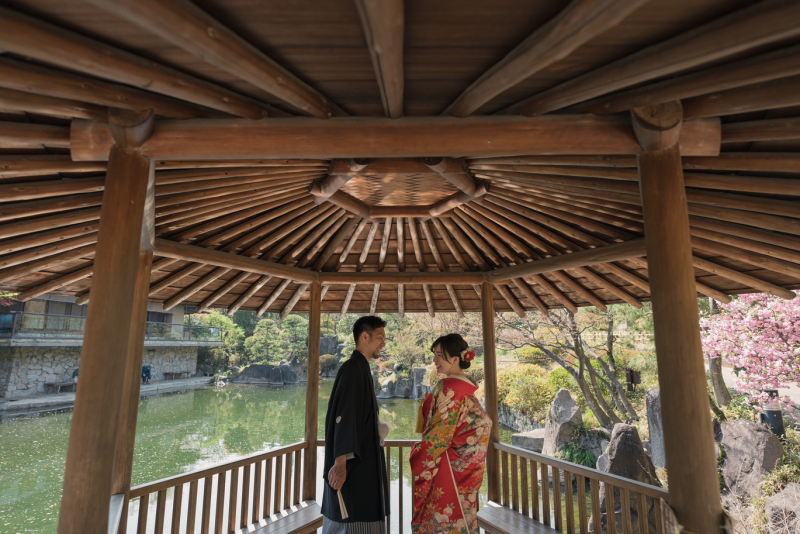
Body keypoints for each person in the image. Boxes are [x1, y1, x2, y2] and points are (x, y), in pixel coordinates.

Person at [410, 334, 492, 534]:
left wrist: (417, 455)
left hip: (447, 468)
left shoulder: (449, 390)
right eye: (434, 354)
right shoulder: (464, 390)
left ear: (455, 359)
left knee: (441, 520)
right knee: (461, 518)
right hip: (464, 468)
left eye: (439, 355)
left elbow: (438, 438)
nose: (434, 360)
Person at [322, 316, 390, 534]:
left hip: (364, 461)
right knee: (352, 516)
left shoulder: (361, 368)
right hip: (353, 468)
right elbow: (344, 417)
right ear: (364, 336)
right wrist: (340, 463)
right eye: (380, 337)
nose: (383, 343)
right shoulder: (353, 369)